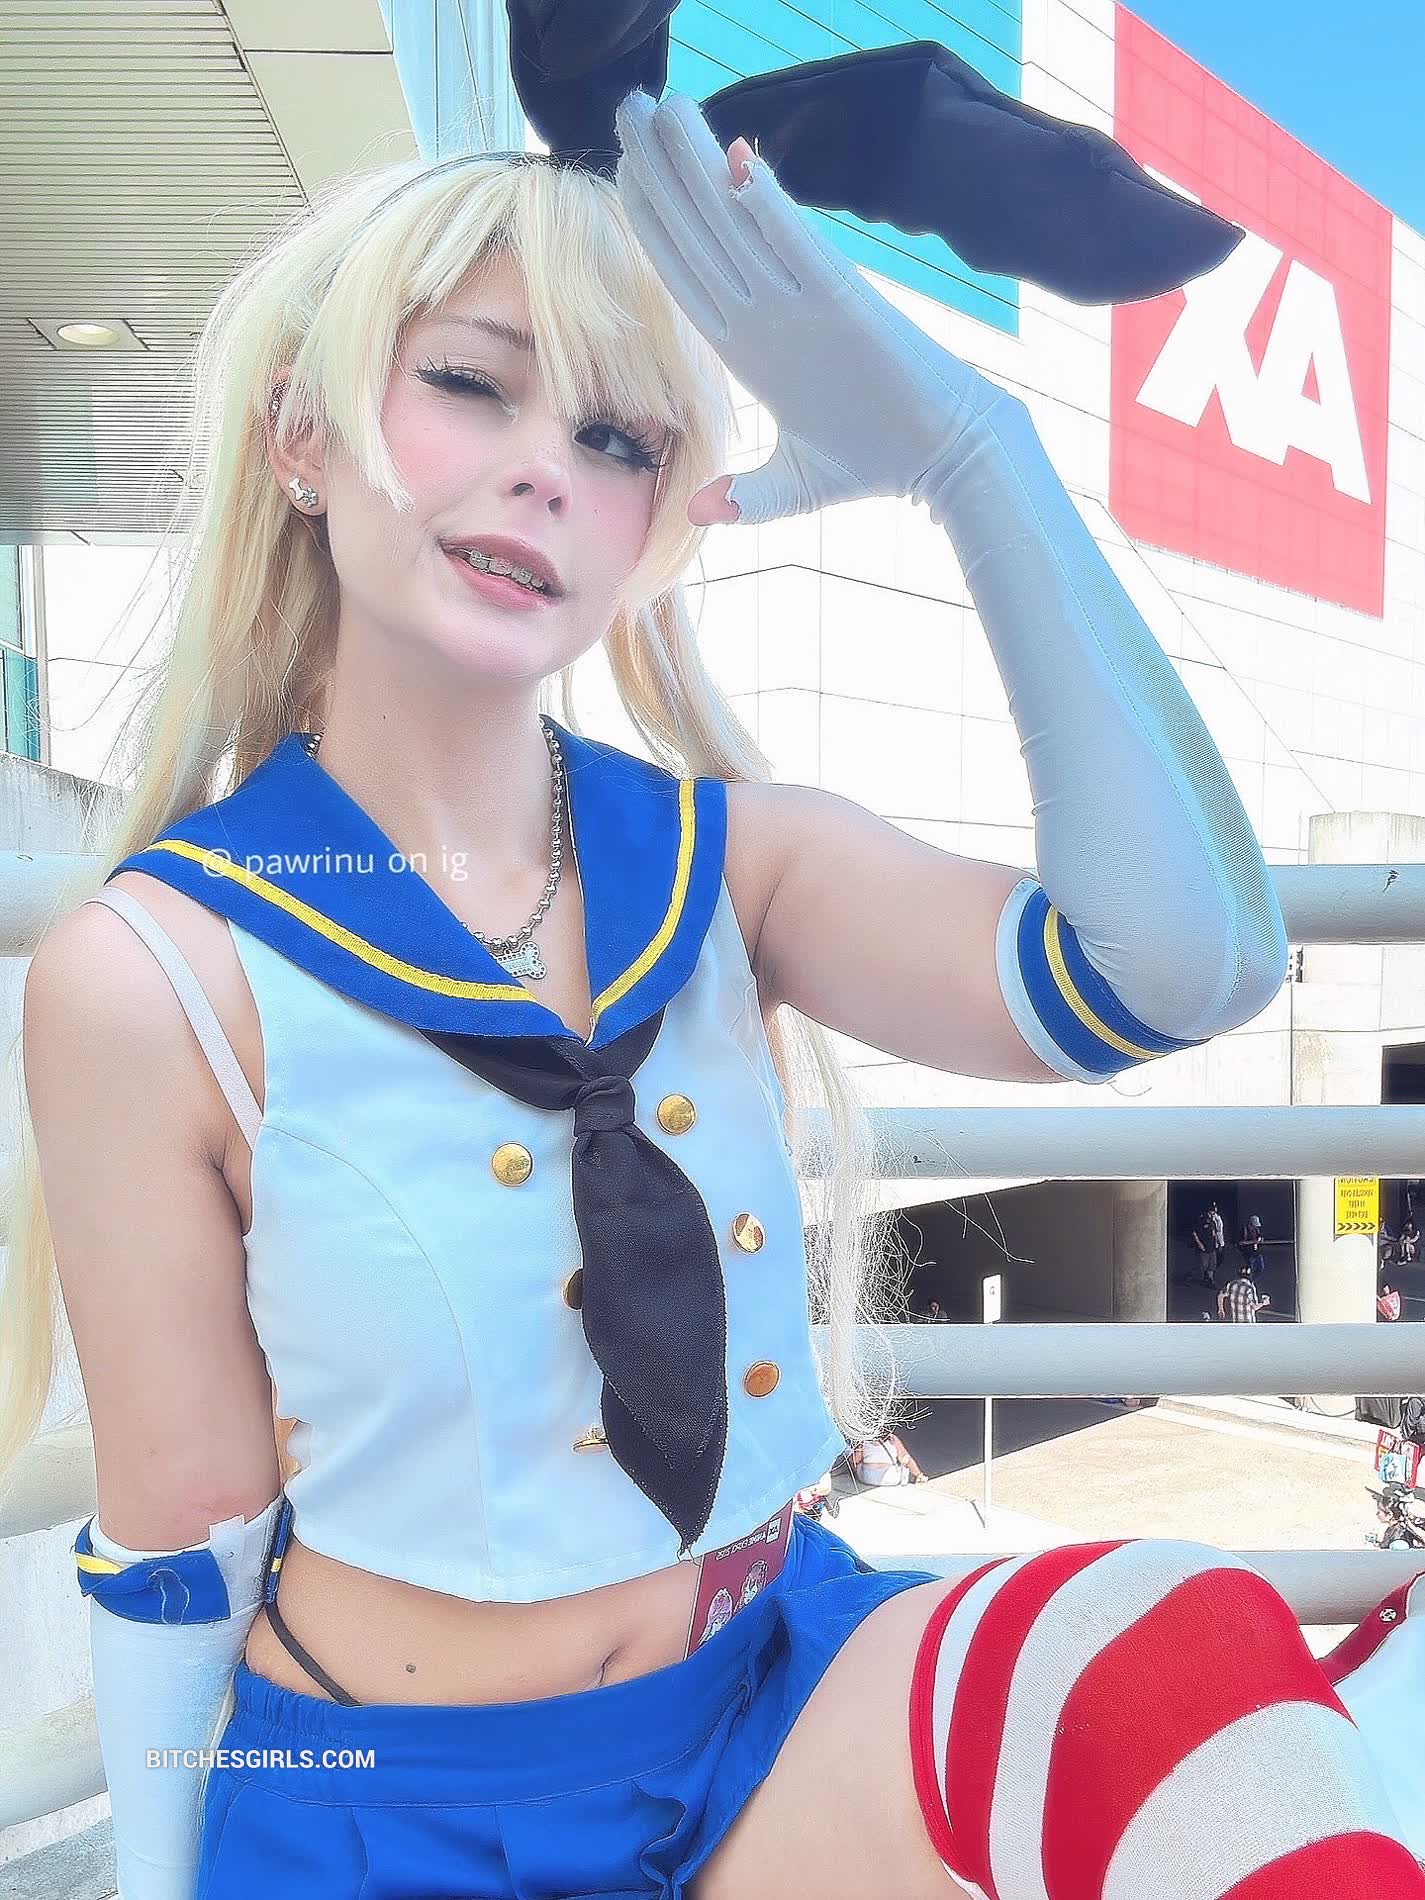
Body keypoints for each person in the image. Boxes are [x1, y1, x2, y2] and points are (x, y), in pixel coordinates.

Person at [4, 73, 1417, 1900]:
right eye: (471, 382)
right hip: (391, 1802)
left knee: (1176, 1649)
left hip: (775, 1711)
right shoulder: (155, 973)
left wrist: (970, 453)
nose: (547, 469)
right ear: (300, 437)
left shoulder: (731, 864)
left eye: (617, 436)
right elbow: (182, 1536)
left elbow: (1180, 968)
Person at [850, 1433, 929, 1487]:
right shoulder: (893, 1439)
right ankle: (919, 1476)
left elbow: (855, 1460)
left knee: (857, 1462)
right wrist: (918, 1473)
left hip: (867, 1478)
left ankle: (853, 1475)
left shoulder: (864, 1440)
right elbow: (904, 1457)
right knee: (905, 1458)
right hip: (891, 1478)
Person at [1191, 1200, 1226, 1288]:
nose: (1213, 1214)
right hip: (1204, 1246)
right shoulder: (1201, 1219)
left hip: (1212, 1246)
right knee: (1202, 1266)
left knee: (1212, 1265)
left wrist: (1218, 1244)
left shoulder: (1213, 1221)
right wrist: (1199, 1244)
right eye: (1212, 1212)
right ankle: (1190, 1276)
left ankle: (1210, 1280)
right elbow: (1194, 1232)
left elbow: (1215, 1233)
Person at [1238, 1211, 1265, 1278]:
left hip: (1257, 1252)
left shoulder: (1257, 1230)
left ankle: (1253, 1279)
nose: (1255, 1227)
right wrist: (1251, 1242)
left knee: (1260, 1268)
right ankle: (1249, 1280)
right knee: (1250, 1269)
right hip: (1249, 1254)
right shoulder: (1244, 1230)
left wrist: (1260, 1240)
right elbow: (1240, 1242)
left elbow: (1260, 1236)